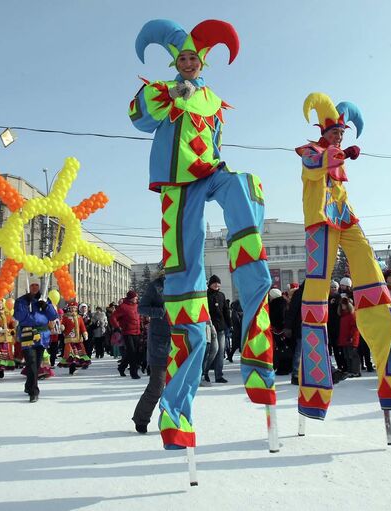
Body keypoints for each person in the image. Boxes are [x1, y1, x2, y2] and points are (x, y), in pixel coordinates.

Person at [130, 18, 274, 448]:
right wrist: (169, 95)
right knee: (185, 289)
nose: (190, 63)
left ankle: (254, 299)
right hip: (178, 187)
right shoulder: (164, 90)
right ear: (177, 61)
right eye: (184, 57)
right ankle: (177, 413)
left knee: (245, 185)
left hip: (209, 173)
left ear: (203, 61)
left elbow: (213, 138)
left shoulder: (212, 98)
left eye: (195, 57)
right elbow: (137, 116)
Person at [295, 92, 391, 419]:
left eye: (343, 133)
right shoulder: (311, 151)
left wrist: (342, 154)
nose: (339, 136)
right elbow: (313, 164)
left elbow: (335, 173)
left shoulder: (338, 158)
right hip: (320, 223)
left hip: (345, 218)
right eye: (334, 132)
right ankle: (315, 388)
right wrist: (336, 153)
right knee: (316, 294)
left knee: (375, 285)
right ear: (324, 131)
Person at [133, 270, 172, 433]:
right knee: (157, 385)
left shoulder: (185, 283)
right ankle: (141, 418)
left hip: (180, 341)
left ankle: (173, 421)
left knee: (177, 386)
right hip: (160, 342)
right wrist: (161, 311)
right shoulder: (156, 287)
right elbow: (141, 308)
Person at [14, 282, 58, 402]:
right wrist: (27, 303)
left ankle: (29, 385)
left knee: (36, 363)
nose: (34, 287)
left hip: (42, 335)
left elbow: (54, 316)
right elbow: (19, 316)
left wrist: (45, 307)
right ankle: (34, 391)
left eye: (36, 285)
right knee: (31, 361)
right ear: (28, 287)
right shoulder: (21, 300)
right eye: (32, 285)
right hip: (28, 333)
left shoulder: (45, 299)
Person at [111, 290, 142, 379]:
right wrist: (117, 327)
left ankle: (121, 367)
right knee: (132, 352)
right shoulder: (123, 307)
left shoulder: (137, 306)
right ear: (131, 298)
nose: (137, 298)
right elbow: (113, 317)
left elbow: (140, 318)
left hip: (137, 332)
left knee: (134, 352)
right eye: (135, 297)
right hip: (127, 332)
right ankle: (134, 372)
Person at [206, 275, 229, 383]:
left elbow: (226, 311)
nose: (216, 285)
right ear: (210, 284)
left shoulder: (221, 295)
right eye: (214, 283)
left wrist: (229, 324)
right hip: (209, 327)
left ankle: (218, 375)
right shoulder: (205, 295)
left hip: (221, 328)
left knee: (221, 351)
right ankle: (204, 372)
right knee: (212, 351)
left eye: (218, 283)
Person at [59, 301, 90, 375]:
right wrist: (62, 327)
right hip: (69, 339)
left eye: (74, 308)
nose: (73, 309)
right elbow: (63, 324)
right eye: (71, 308)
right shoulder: (66, 317)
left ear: (76, 309)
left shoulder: (79, 317)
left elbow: (82, 327)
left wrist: (85, 333)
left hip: (78, 339)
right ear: (69, 308)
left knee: (79, 355)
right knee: (71, 355)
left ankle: (75, 367)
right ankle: (72, 368)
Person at [337, 297, 361, 377]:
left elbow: (355, 327)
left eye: (344, 305)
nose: (343, 306)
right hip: (344, 338)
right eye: (342, 305)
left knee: (353, 355)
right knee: (347, 356)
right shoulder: (343, 315)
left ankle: (356, 371)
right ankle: (350, 370)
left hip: (351, 338)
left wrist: (351, 336)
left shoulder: (352, 314)